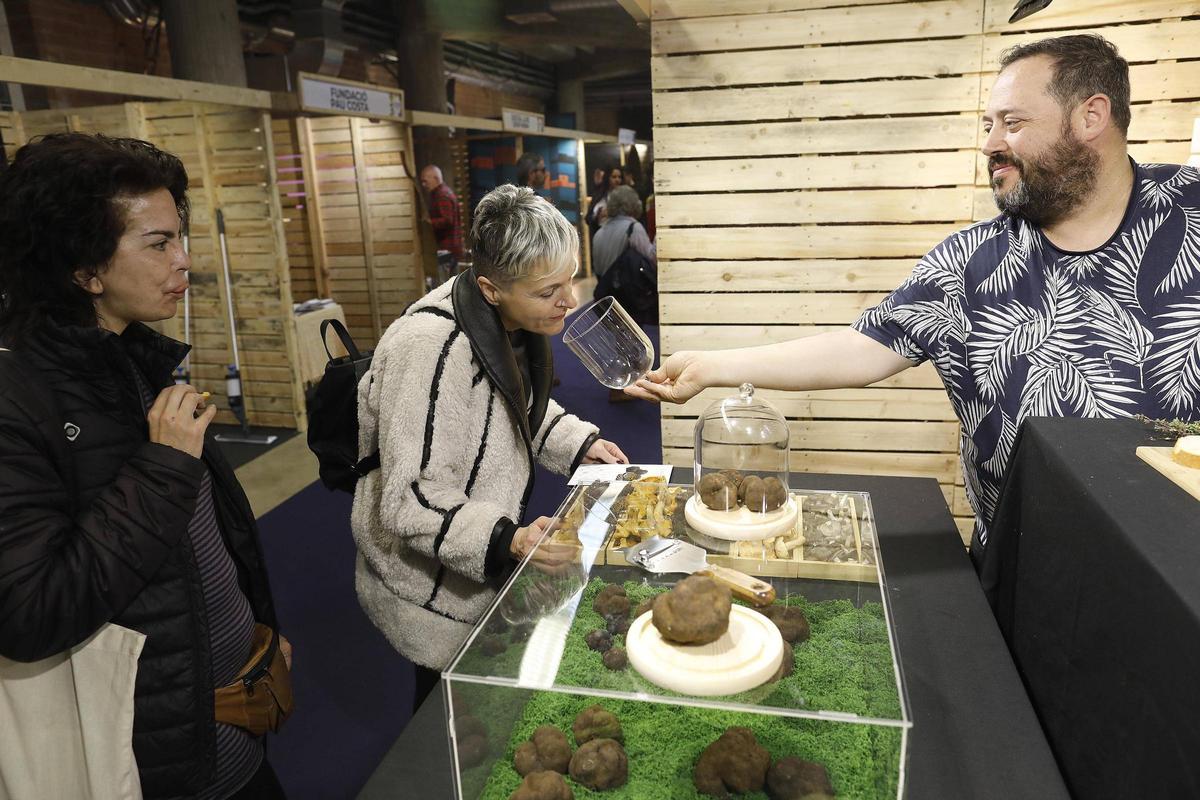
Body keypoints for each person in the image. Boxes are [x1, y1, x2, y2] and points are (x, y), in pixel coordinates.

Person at [628, 34, 1200, 560]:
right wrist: (709, 367)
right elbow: (864, 349)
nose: (992, 144)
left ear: (1091, 116)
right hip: (1023, 563)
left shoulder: (1190, 215)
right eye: (988, 124)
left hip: (1181, 563)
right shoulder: (970, 261)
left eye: (1013, 123)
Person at [0, 133, 289, 799]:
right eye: (157, 243)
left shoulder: (130, 358)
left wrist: (258, 635)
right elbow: (32, 611)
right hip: (158, 768)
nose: (183, 260)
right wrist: (162, 466)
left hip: (230, 726)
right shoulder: (19, 402)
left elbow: (196, 542)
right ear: (84, 269)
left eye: (178, 237)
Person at [352, 184, 628, 713]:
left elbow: (514, 406)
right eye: (550, 291)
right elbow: (411, 501)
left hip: (470, 564)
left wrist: (578, 444)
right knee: (448, 725)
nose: (569, 300)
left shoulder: (503, 319)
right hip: (430, 590)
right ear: (491, 287)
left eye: (571, 279)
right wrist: (509, 540)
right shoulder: (427, 349)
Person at [591, 184, 656, 278]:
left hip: (605, 290)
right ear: (633, 204)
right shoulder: (633, 228)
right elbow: (652, 258)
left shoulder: (599, 233)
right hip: (627, 290)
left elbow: (598, 269)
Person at [420, 164, 464, 260]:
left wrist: (429, 222)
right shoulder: (442, 193)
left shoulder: (442, 195)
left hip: (447, 249)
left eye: (425, 181)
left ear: (435, 178)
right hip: (450, 248)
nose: (424, 185)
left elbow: (448, 220)